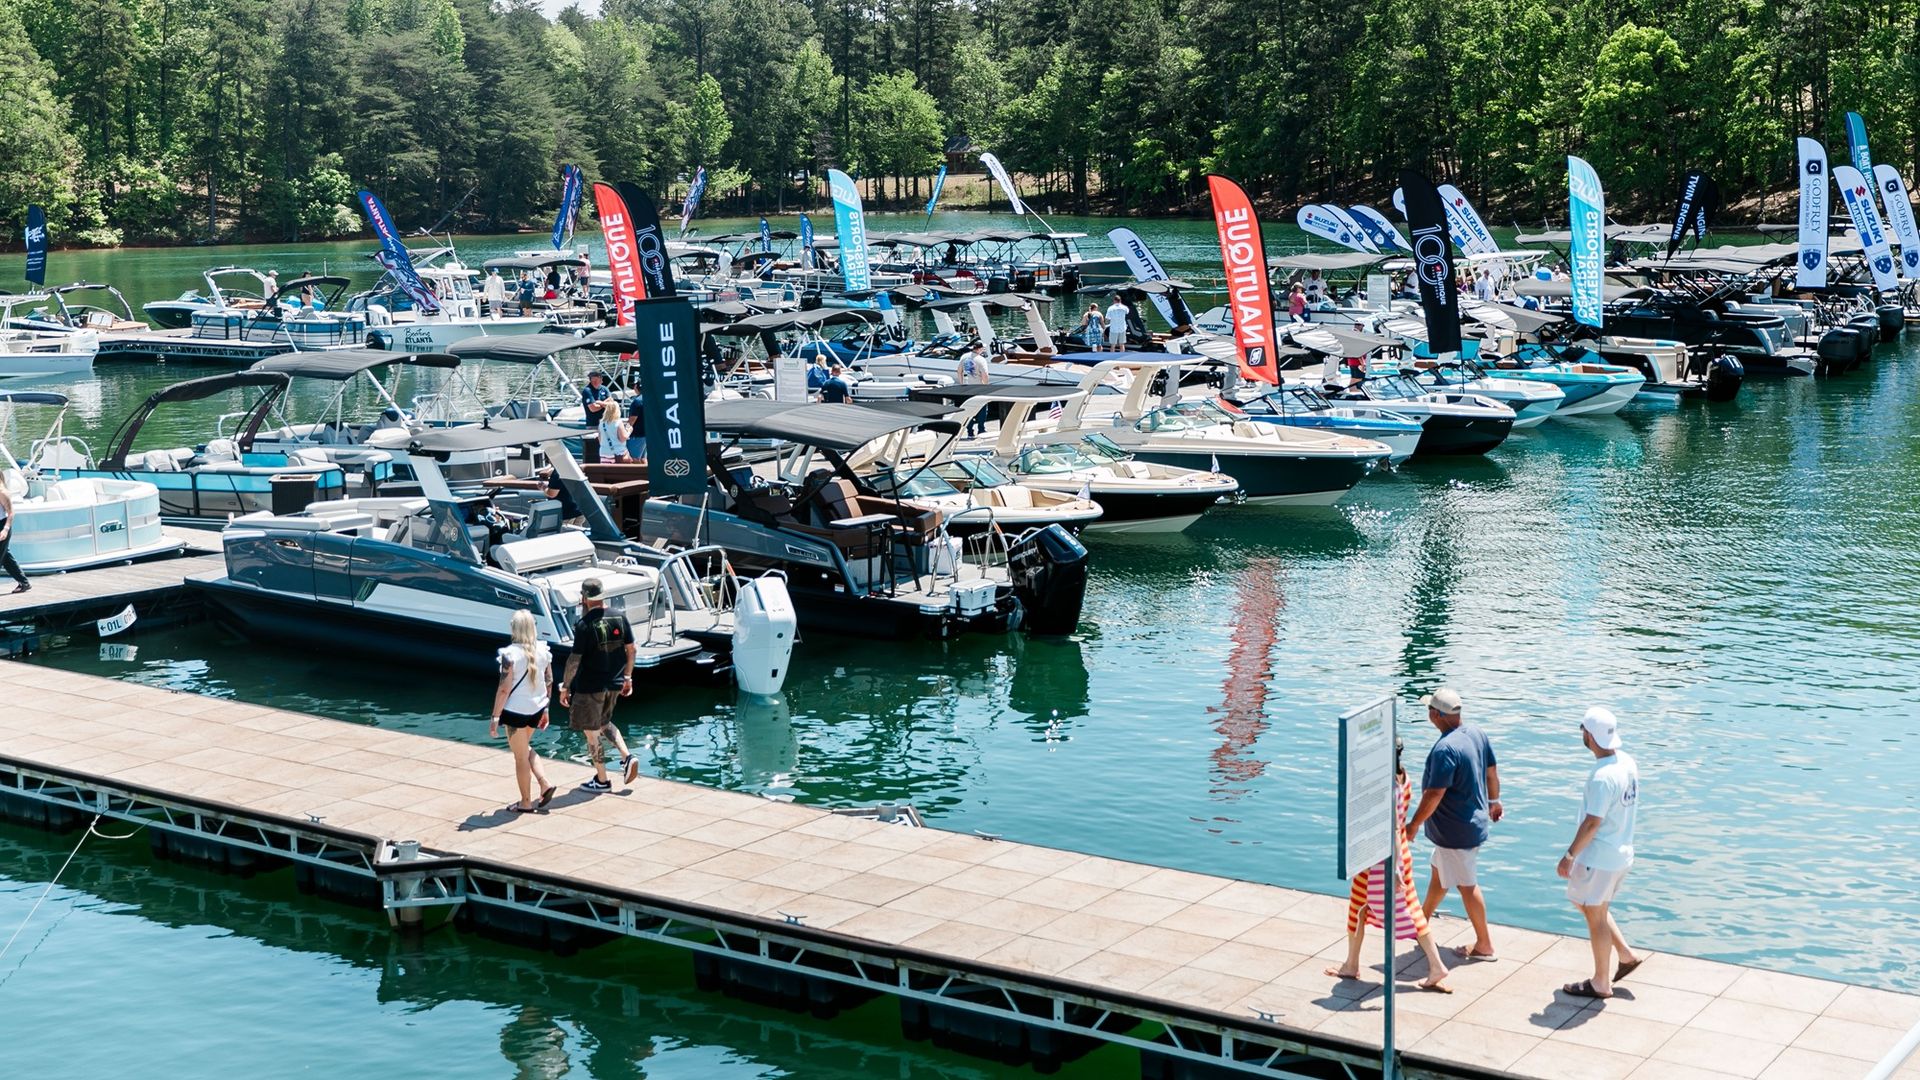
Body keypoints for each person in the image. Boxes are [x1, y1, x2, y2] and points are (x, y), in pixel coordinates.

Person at [1326, 739, 1451, 992]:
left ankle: (1352, 965)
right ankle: (1352, 963)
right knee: (1398, 908)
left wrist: (1393, 869)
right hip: (1399, 852)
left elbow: (1392, 827)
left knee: (1369, 909)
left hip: (1380, 857)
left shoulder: (1383, 786)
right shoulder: (1402, 777)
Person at [1404, 686, 1502, 961]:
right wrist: (1494, 801)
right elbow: (1491, 770)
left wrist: (1412, 825)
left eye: (1429, 710)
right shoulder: (1476, 733)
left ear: (1436, 714)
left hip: (1456, 831)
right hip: (1472, 822)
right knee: (1439, 873)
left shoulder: (1444, 749)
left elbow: (1435, 793)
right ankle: (1420, 922)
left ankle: (1485, 945)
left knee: (1467, 885)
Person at [1559, 706, 1642, 999]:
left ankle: (1600, 983)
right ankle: (1625, 954)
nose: (1581, 733)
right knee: (1592, 906)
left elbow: (1593, 822)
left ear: (1590, 736)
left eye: (1583, 729)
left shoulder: (1601, 776)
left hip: (1599, 857)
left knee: (1594, 914)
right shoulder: (1627, 762)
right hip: (1621, 854)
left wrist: (1569, 856)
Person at [557, 578, 642, 791]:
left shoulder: (584, 625)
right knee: (604, 723)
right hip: (614, 683)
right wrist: (628, 678)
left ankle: (602, 780)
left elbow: (574, 659)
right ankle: (627, 756)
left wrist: (566, 686)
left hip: (590, 686)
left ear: (584, 598)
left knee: (591, 733)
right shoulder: (620, 617)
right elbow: (631, 649)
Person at [490, 611, 557, 813]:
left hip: (515, 711)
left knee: (520, 757)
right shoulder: (543, 651)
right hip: (536, 708)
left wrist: (495, 717)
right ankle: (544, 783)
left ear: (514, 629)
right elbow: (549, 681)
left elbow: (504, 689)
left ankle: (525, 802)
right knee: (524, 748)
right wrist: (545, 708)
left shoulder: (510, 655)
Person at [0, 481, 28, 594]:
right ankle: (24, 583)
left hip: (2, 526)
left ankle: (24, 583)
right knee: (6, 558)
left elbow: (11, 512)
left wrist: (5, 529)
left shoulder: (1, 492)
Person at [580, 372, 614, 463]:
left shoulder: (605, 389)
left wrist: (600, 402)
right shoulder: (587, 391)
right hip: (593, 425)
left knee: (607, 447)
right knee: (595, 449)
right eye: (593, 380)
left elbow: (611, 403)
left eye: (597, 380)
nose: (594, 382)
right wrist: (604, 404)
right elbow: (593, 408)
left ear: (601, 380)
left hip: (606, 424)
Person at [624, 394, 647, 462]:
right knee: (643, 459)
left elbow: (632, 420)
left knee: (633, 459)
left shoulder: (637, 401)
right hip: (646, 433)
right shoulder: (649, 398)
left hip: (636, 435)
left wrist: (625, 431)